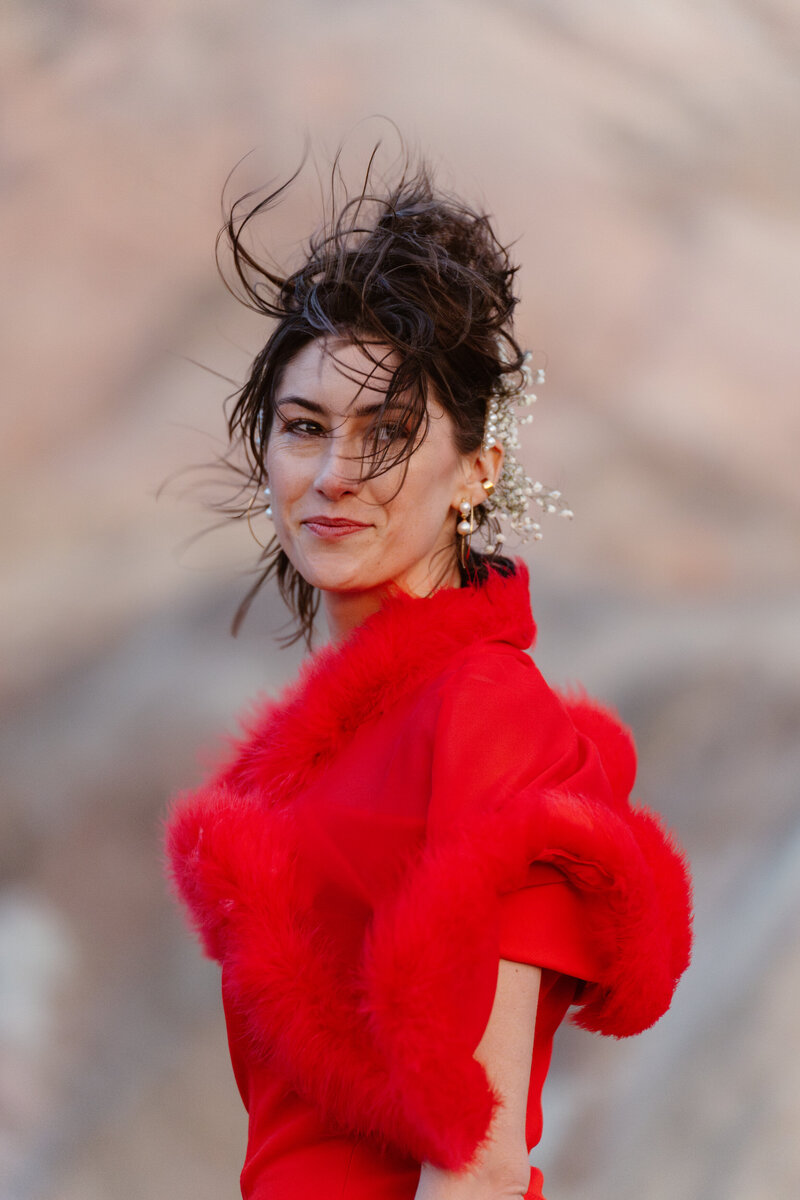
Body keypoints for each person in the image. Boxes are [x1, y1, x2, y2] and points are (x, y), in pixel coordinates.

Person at [163, 149, 693, 1200]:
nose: (332, 476)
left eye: (389, 434)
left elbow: (479, 1161)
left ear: (477, 469)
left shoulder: (484, 714)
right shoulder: (316, 750)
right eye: (304, 427)